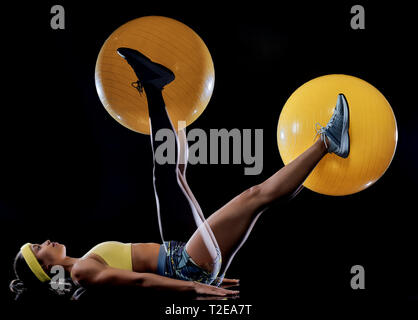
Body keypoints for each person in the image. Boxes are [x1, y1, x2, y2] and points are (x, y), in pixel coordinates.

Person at [9, 48, 350, 301]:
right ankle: (326, 143)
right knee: (253, 197)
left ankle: (167, 97)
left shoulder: (84, 263)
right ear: (46, 269)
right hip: (186, 265)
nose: (46, 241)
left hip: (178, 250)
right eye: (39, 249)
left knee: (172, 172)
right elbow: (142, 283)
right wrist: (195, 286)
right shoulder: (83, 272)